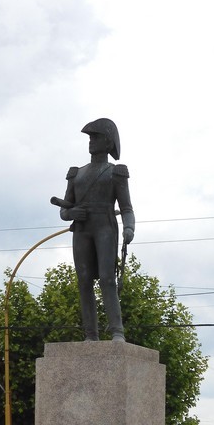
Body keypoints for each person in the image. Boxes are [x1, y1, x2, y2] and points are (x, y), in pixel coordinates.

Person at [51, 118, 135, 342]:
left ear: (108, 143)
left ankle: (117, 331)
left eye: (96, 137)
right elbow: (64, 211)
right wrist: (72, 214)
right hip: (82, 229)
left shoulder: (115, 172)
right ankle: (91, 334)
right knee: (84, 281)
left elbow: (126, 208)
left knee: (107, 279)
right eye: (90, 137)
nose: (91, 141)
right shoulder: (76, 174)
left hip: (105, 226)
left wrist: (129, 227)